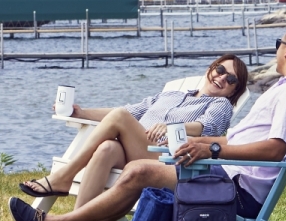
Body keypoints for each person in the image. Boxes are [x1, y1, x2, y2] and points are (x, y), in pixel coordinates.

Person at [10, 24, 286, 221]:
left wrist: (210, 150)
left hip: (235, 188)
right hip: (222, 172)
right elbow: (237, 141)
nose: (276, 53)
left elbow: (274, 150)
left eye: (278, 46)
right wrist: (203, 145)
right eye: (219, 70)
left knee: (139, 170)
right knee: (121, 157)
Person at [16, 55, 250, 206]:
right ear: (211, 68)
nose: (222, 78)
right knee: (107, 147)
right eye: (220, 69)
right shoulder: (171, 95)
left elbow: (206, 128)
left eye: (231, 80)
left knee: (119, 116)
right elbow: (130, 110)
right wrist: (80, 112)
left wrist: (172, 127)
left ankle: (62, 178)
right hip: (136, 150)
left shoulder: (220, 105)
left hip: (164, 159)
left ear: (233, 92)